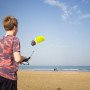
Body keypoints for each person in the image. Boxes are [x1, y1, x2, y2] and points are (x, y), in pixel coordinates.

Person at [0, 15, 27, 90]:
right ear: (15, 27)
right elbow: (17, 59)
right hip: (9, 76)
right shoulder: (15, 39)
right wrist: (23, 58)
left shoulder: (1, 40)